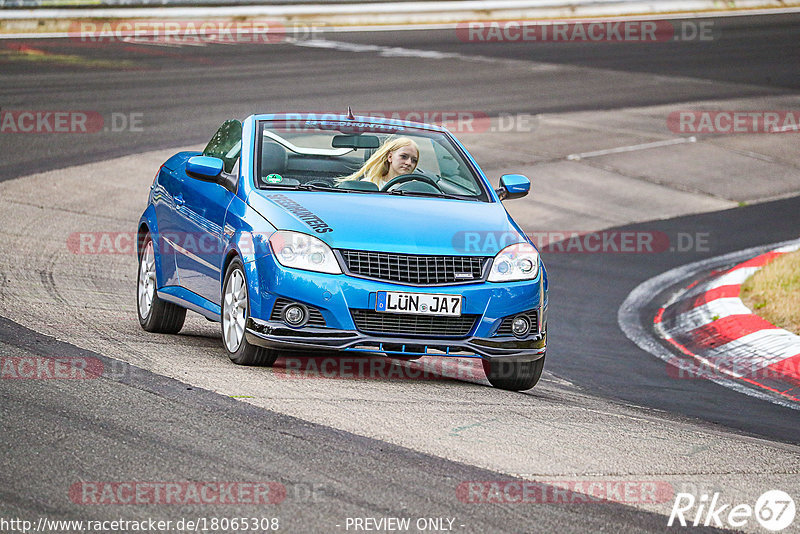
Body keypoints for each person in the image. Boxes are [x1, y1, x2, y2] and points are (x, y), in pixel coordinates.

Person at [341, 137, 419, 189]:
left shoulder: (418, 188)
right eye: (403, 156)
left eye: (414, 160)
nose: (409, 163)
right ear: (390, 157)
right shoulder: (368, 184)